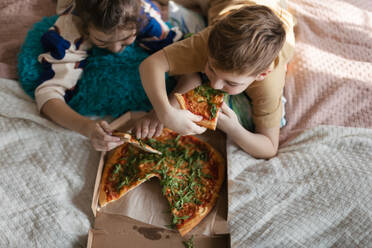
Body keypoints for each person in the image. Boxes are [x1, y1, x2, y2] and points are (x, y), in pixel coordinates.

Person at [136, 0, 296, 158]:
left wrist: (234, 128)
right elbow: (150, 65)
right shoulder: (209, 41)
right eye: (211, 68)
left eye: (231, 82)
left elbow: (269, 147)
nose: (214, 84)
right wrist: (165, 112)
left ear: (262, 74)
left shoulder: (268, 83)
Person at [34, 0, 184, 151]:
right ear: (85, 26)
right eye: (101, 41)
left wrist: (163, 112)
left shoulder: (145, 17)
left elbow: (191, 70)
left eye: (126, 40)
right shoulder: (68, 31)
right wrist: (87, 127)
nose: (115, 49)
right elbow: (47, 96)